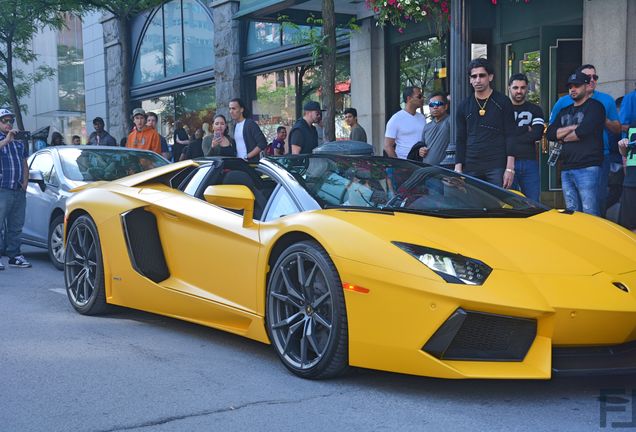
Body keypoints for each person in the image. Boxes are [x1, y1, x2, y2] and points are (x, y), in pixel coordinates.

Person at [549, 64, 621, 216]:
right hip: (566, 166)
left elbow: (583, 132)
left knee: (590, 211)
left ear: (586, 86)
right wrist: (571, 128)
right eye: (570, 87)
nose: (572, 89)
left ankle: (594, 239)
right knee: (572, 212)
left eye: (576, 86)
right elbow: (550, 134)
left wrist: (562, 135)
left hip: (589, 165)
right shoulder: (563, 108)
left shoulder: (597, 106)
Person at [455, 58, 516, 188]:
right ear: (470, 79)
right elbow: (460, 139)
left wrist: (510, 168)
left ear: (490, 77)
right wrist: (458, 168)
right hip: (471, 165)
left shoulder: (503, 102)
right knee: (473, 206)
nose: (478, 80)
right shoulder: (463, 106)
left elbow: (511, 135)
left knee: (498, 206)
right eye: (474, 76)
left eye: (482, 75)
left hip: (496, 164)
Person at [0, 108, 31, 269]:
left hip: (18, 190)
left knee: (16, 225)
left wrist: (25, 183)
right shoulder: (5, 140)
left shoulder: (18, 143)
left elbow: (24, 163)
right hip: (2, 189)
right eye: (4, 121)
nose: (8, 123)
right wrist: (7, 139)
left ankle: (15, 255)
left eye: (10, 121)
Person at [508, 73, 545, 201]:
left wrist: (511, 136)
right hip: (506, 162)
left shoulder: (535, 110)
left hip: (529, 162)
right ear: (509, 88)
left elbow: (537, 134)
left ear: (527, 88)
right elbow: (499, 135)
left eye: (523, 88)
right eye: (515, 88)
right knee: (508, 203)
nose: (519, 91)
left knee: (533, 202)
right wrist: (525, 128)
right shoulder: (501, 109)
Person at [408, 92, 451, 166]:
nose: (435, 107)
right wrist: (421, 150)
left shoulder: (451, 121)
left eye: (438, 104)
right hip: (426, 170)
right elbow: (422, 145)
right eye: (432, 105)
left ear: (446, 106)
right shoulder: (427, 126)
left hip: (445, 170)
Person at [384, 86, 426, 159]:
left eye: (422, 96)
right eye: (419, 96)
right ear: (409, 98)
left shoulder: (422, 118)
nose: (422, 99)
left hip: (421, 161)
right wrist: (398, 164)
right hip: (405, 162)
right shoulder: (396, 119)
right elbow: (388, 146)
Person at [617, 127, 636, 231]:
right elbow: (625, 153)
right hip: (631, 180)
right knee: (629, 224)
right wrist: (622, 145)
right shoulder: (632, 127)